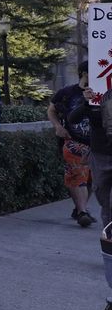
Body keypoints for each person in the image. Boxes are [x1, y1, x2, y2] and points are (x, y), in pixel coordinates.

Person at [48, 66, 96, 227]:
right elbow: (51, 110)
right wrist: (58, 127)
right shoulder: (67, 93)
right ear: (84, 73)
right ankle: (82, 212)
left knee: (91, 180)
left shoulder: (103, 91)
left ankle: (79, 209)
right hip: (73, 140)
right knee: (77, 176)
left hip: (96, 144)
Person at [69, 85, 111, 230]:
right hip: (100, 155)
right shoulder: (95, 96)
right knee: (105, 200)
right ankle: (109, 236)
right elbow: (73, 118)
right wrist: (86, 102)